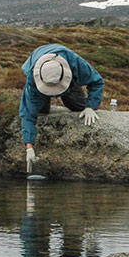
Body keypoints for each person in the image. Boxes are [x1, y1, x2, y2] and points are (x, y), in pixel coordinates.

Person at [19, 44, 104, 173]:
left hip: (70, 81)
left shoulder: (74, 62)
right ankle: (45, 99)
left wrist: (91, 107)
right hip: (40, 79)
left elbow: (97, 82)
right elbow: (28, 113)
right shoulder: (32, 78)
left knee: (78, 106)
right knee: (42, 110)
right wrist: (29, 147)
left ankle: (70, 95)